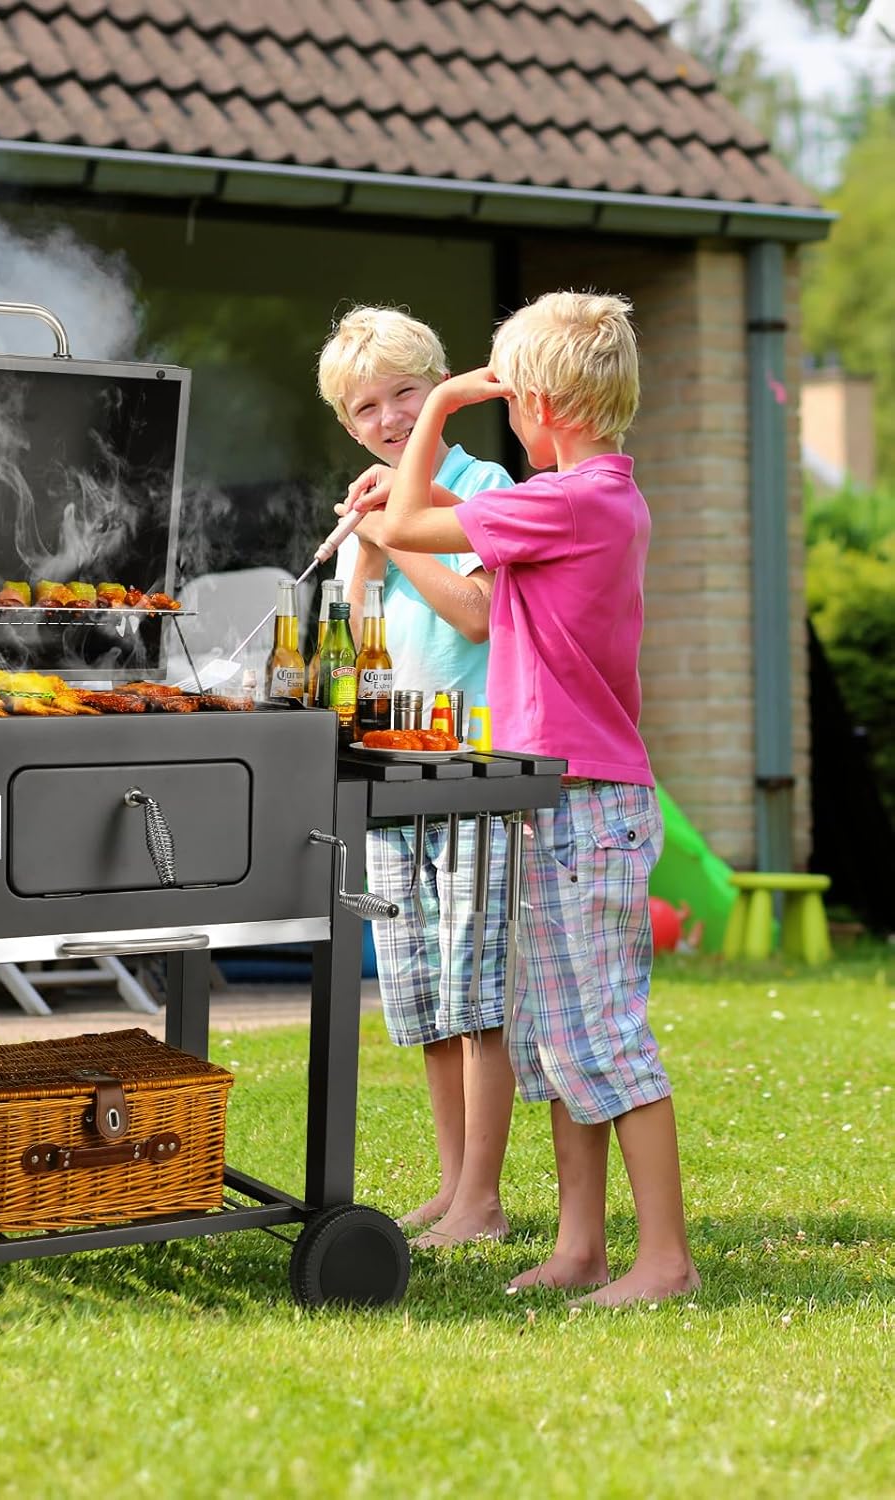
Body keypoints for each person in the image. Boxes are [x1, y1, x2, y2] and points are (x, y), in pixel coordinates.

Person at [342, 291, 700, 1304]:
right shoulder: (590, 497)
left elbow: (407, 523)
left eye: (505, 396)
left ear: (540, 404)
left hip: (585, 803)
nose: (496, 410)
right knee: (558, 1038)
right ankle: (581, 1248)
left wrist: (440, 406)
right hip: (553, 796)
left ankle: (665, 1262)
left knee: (607, 1038)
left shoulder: (566, 501)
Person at [317, 306, 517, 1247]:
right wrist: (364, 555)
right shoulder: (374, 506)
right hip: (395, 772)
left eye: (405, 394)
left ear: (439, 390)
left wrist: (395, 533)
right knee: (425, 998)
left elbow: (477, 614)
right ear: (347, 422)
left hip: (472, 771)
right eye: (367, 407)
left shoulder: (482, 487)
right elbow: (352, 655)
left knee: (478, 999)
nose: (390, 417)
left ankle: (483, 1200)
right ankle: (451, 1185)